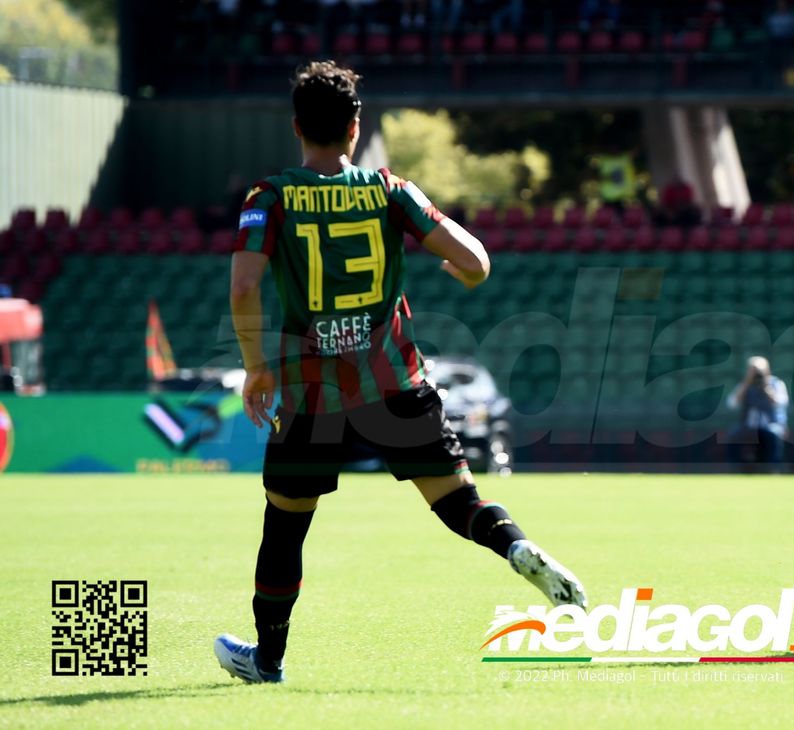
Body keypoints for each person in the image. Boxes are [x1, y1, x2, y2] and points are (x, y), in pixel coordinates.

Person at [213, 61, 586, 684]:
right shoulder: (390, 190)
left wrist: (256, 369)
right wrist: (463, 273)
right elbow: (476, 261)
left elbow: (245, 286)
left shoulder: (270, 197)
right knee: (457, 500)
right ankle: (516, 547)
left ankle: (269, 660)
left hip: (312, 395)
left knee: (285, 527)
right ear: (355, 128)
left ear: (297, 126)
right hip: (395, 382)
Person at [725, 356, 789, 471]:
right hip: (748, 426)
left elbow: (781, 403)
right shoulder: (745, 385)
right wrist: (746, 382)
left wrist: (766, 387)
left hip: (770, 426)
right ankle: (734, 469)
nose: (757, 374)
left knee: (774, 434)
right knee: (733, 435)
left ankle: (773, 469)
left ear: (767, 370)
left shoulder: (776, 384)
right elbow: (732, 404)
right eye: (754, 371)